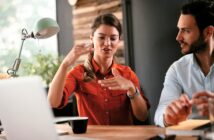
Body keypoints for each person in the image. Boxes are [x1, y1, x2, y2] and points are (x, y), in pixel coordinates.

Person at [48, 13, 149, 125]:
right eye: (101, 37)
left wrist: (131, 88)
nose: (107, 43)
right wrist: (65, 64)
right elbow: (53, 102)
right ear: (92, 38)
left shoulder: (127, 74)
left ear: (119, 40)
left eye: (113, 38)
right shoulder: (78, 73)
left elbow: (142, 116)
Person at [155, 0, 214, 127]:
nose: (178, 37)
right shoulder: (177, 70)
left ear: (208, 32)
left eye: (186, 31)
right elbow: (160, 113)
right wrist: (169, 117)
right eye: (179, 30)